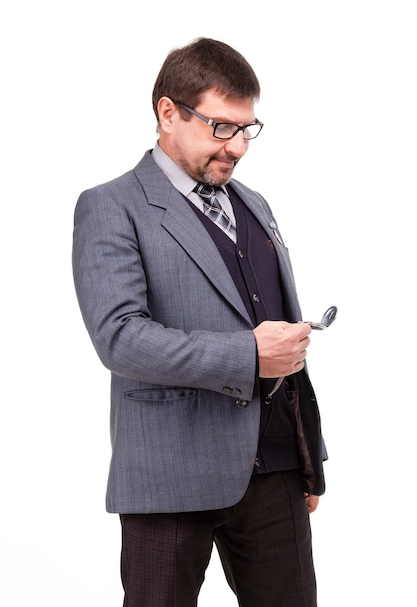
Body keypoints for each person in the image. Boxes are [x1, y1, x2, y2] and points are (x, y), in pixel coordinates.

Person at [72, 37, 328, 607]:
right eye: (221, 127)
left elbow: (275, 325)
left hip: (276, 473)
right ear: (168, 112)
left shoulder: (255, 203)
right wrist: (247, 355)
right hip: (169, 476)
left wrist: (310, 455)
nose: (237, 147)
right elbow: (119, 337)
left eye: (247, 129)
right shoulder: (110, 206)